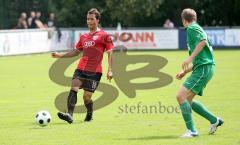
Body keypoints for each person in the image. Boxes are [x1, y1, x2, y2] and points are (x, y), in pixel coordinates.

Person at [51, 8, 114, 123]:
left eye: (92, 19)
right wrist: (59, 55)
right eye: (87, 19)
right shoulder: (83, 36)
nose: (89, 21)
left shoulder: (104, 36)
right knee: (73, 88)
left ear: (98, 20)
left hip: (95, 71)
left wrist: (110, 70)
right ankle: (69, 115)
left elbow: (110, 53)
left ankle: (89, 112)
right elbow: (75, 52)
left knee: (86, 98)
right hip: (81, 68)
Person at [176, 8, 224, 138]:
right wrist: (185, 71)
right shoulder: (196, 28)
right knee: (188, 100)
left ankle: (192, 131)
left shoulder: (192, 28)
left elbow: (202, 42)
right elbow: (202, 57)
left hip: (204, 69)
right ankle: (215, 120)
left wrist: (190, 58)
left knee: (180, 96)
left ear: (184, 20)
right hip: (203, 67)